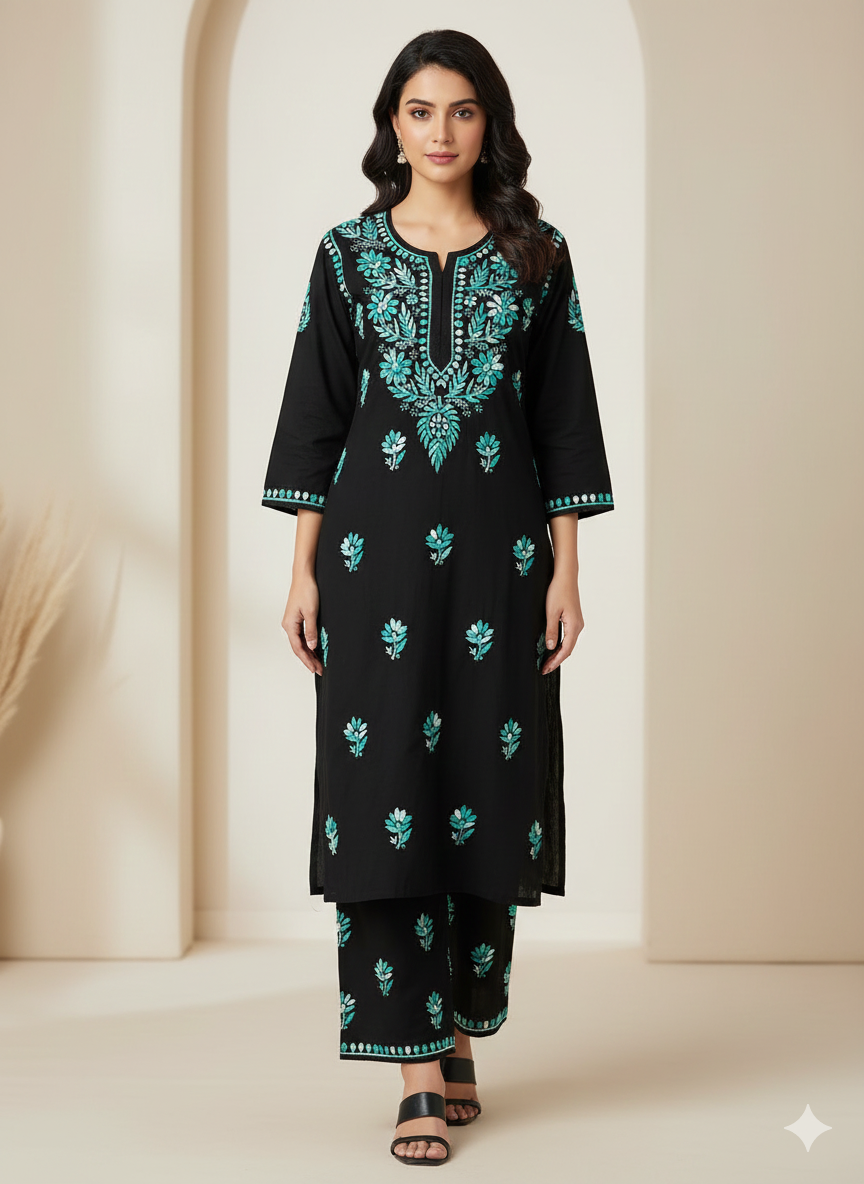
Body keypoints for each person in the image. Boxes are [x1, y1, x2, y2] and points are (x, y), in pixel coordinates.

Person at [262, 28, 614, 1166]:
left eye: (462, 110)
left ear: (489, 123)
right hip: (372, 560)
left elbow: (563, 422)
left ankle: (456, 1025)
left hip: (502, 568)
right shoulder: (347, 255)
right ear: (393, 125)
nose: (442, 132)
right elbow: (316, 416)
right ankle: (414, 1067)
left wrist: (566, 571)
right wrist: (303, 568)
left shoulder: (536, 257)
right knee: (383, 792)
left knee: (480, 783)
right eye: (420, 111)